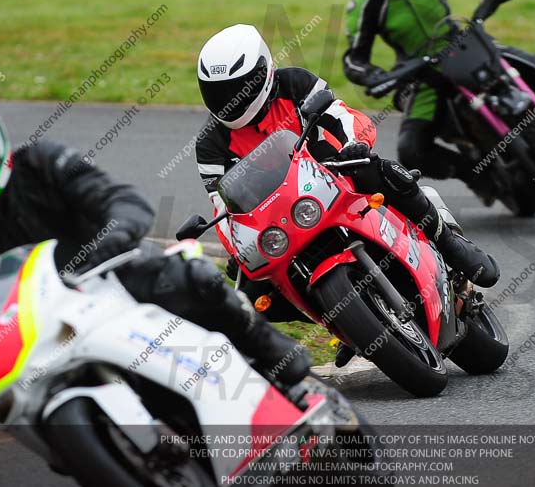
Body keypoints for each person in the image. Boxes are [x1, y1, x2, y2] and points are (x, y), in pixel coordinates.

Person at [0, 90, 311, 394]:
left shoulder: (40, 162)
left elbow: (121, 199)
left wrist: (115, 236)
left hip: (107, 275)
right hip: (40, 331)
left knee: (195, 278)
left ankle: (267, 349)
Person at [195, 25, 500, 363]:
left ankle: (450, 244)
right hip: (281, 219)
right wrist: (237, 248)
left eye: (237, 88)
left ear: (263, 72)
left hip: (335, 176)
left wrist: (354, 144)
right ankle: (341, 320)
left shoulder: (294, 83)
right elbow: (221, 207)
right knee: (250, 289)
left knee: (376, 168)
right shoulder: (210, 144)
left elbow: (343, 115)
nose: (228, 100)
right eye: (218, 92)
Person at [344, 0, 535, 192]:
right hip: (422, 73)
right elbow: (354, 59)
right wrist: (372, 76)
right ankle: (477, 174)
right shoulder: (364, 4)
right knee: (411, 151)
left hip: (465, 47)